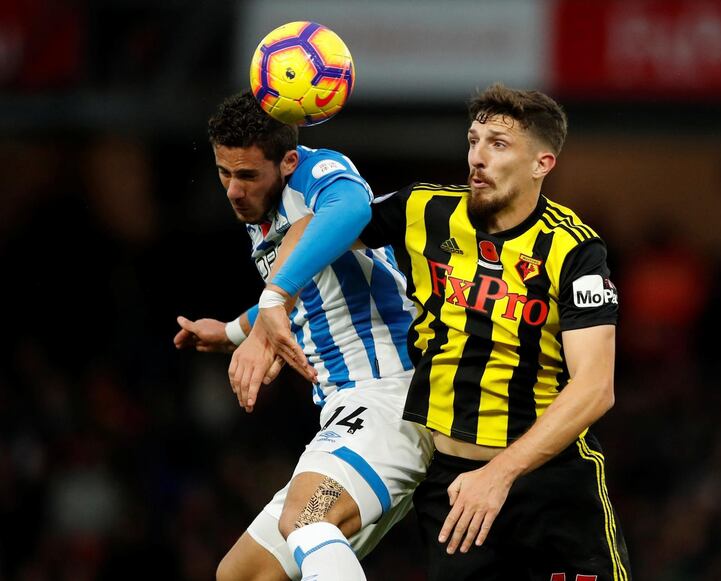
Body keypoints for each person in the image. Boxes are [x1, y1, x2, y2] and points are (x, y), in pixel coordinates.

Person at [258, 83, 632, 580]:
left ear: (542, 163)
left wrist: (499, 475)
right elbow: (322, 226)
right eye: (473, 140)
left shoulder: (577, 251)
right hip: (451, 490)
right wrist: (270, 304)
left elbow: (595, 387)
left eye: (498, 145)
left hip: (552, 486)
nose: (477, 157)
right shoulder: (425, 210)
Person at [174, 90, 433, 581]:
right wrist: (232, 331)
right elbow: (310, 298)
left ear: (287, 161)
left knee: (306, 519)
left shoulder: (315, 177)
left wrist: (274, 298)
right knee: (241, 574)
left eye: (247, 175)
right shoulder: (263, 213)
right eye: (224, 173)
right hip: (350, 409)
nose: (232, 190)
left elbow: (352, 206)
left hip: (389, 398)